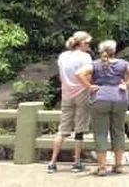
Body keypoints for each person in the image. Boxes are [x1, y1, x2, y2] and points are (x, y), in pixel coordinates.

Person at [76, 40, 129, 176]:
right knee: (118, 131)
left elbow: (79, 73)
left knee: (100, 133)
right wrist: (126, 84)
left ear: (102, 51)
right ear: (114, 50)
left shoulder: (95, 64)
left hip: (100, 99)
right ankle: (118, 165)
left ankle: (102, 167)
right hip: (119, 98)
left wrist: (89, 86)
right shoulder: (122, 64)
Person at [48, 31, 93, 173]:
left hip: (66, 93)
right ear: (82, 43)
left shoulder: (63, 56)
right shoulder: (85, 57)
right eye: (88, 43)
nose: (89, 46)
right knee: (79, 130)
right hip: (82, 93)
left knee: (63, 129)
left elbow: (62, 76)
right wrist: (91, 88)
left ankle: (52, 162)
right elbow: (88, 76)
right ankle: (77, 162)